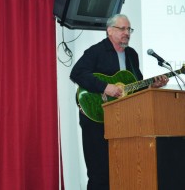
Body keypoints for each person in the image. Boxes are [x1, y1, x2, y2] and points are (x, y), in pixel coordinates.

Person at [70, 14, 168, 190]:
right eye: (122, 29)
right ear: (109, 31)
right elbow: (77, 73)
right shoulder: (96, 51)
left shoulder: (132, 55)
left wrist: (153, 85)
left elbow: (135, 85)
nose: (127, 33)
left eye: (129, 29)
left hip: (123, 122)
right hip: (96, 118)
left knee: (122, 170)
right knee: (99, 173)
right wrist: (105, 87)